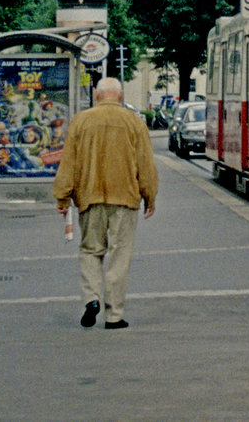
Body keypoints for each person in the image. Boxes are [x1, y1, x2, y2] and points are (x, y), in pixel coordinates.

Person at [53, 77, 158, 329]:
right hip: (125, 197)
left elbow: (68, 162)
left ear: (97, 96)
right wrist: (149, 195)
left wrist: (62, 196)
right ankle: (114, 315)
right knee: (119, 254)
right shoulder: (134, 122)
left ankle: (91, 299)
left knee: (90, 250)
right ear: (120, 97)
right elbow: (145, 164)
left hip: (89, 197)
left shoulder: (81, 121)